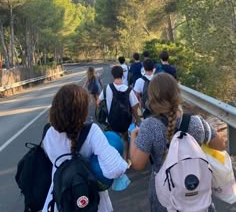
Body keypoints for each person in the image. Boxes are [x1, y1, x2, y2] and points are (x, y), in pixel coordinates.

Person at [129, 73, 226, 212]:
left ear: (152, 98)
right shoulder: (197, 122)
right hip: (196, 190)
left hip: (164, 197)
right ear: (177, 93)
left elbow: (138, 164)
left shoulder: (149, 126)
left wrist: (133, 136)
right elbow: (220, 146)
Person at [42, 84, 128, 212]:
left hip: (60, 199)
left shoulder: (48, 133)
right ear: (82, 110)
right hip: (91, 201)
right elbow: (116, 168)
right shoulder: (92, 131)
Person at [97, 65, 141, 161]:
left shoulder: (107, 88)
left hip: (111, 120)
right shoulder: (129, 90)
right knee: (125, 140)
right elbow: (135, 107)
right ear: (123, 75)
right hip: (125, 121)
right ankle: (125, 160)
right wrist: (138, 120)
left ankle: (115, 160)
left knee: (112, 139)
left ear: (112, 75)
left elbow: (98, 102)